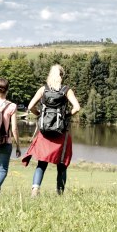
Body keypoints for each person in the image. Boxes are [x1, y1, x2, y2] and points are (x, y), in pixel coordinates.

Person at [22, 64, 80, 196]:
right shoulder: (66, 90)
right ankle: (59, 193)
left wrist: (39, 114)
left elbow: (30, 106)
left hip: (45, 132)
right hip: (61, 132)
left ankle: (35, 190)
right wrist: (67, 115)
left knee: (41, 163)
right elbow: (77, 107)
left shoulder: (43, 89)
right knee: (62, 164)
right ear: (61, 76)